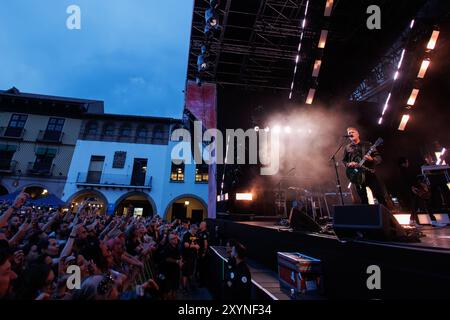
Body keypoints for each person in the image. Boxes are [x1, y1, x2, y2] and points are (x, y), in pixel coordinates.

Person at [343, 127, 391, 208]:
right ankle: (368, 218)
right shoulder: (347, 147)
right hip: (357, 176)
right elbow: (344, 161)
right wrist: (349, 164)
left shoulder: (368, 144)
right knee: (363, 199)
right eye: (349, 133)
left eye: (352, 132)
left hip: (369, 174)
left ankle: (386, 216)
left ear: (358, 134)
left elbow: (379, 158)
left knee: (379, 195)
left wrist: (371, 159)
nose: (351, 134)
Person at [181, 224, 199, 293]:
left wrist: (195, 246)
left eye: (196, 230)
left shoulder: (195, 236)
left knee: (190, 272)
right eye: (195, 229)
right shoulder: (186, 235)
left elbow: (195, 244)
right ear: (191, 228)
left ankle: (189, 286)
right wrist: (194, 246)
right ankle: (184, 288)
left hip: (192, 257)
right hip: (186, 256)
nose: (196, 231)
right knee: (185, 273)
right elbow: (186, 245)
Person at [196, 221, 209, 287]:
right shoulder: (199, 232)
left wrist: (204, 252)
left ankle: (202, 283)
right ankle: (199, 280)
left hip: (202, 253)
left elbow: (205, 244)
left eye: (201, 224)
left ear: (204, 225)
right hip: (198, 252)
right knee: (199, 267)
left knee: (202, 268)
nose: (200, 225)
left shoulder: (205, 233)